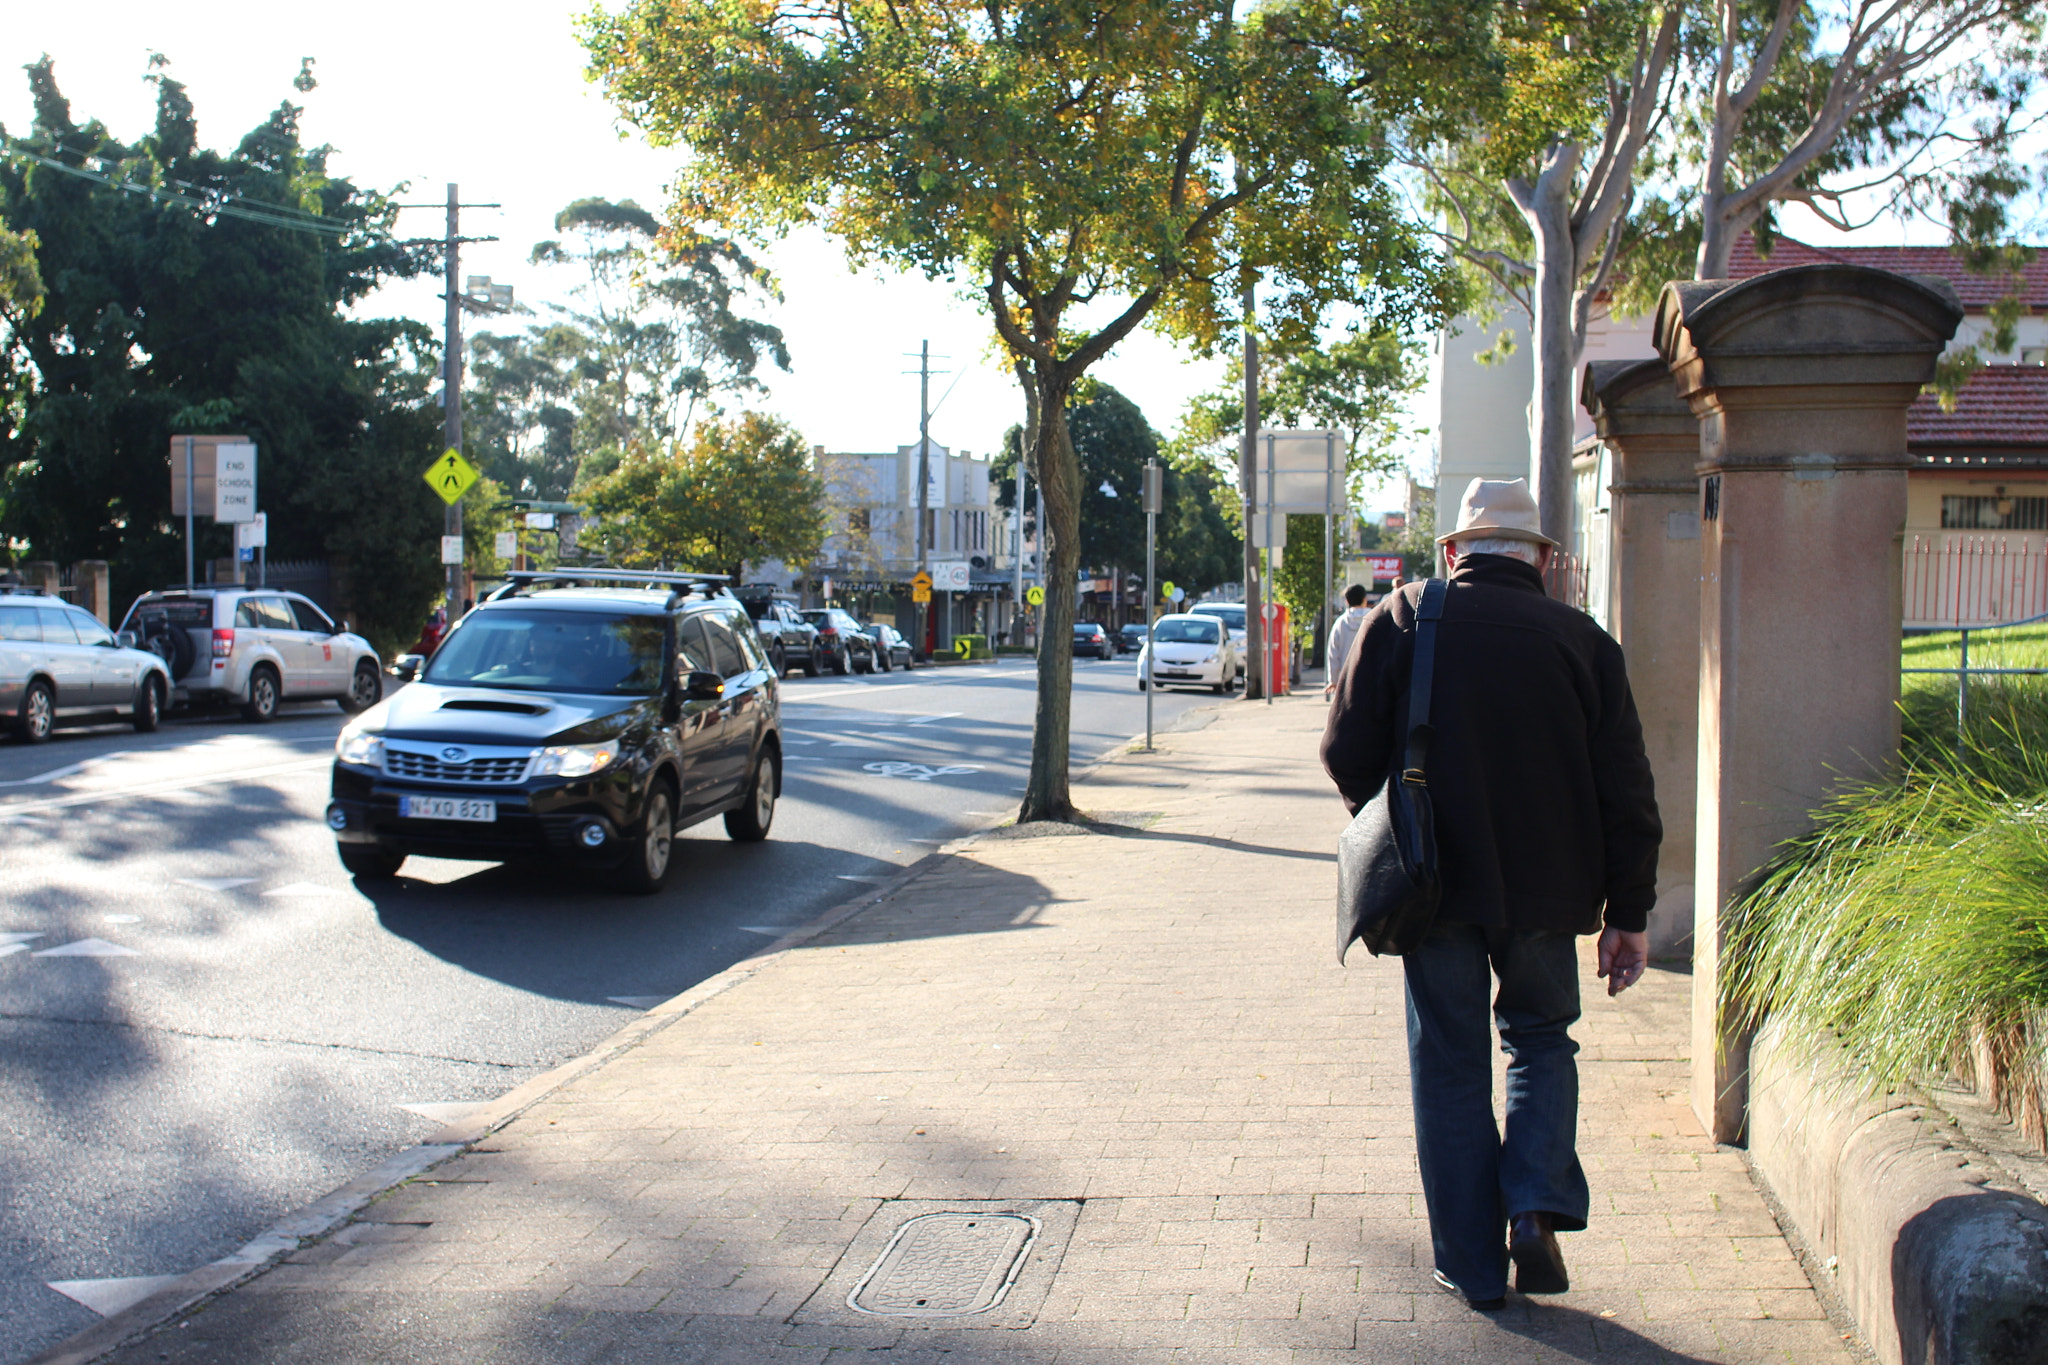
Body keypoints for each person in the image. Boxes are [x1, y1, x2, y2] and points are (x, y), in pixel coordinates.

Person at [1321, 477, 1661, 1311]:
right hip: (1552, 892)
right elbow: (1628, 790)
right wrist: (1630, 915)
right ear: (1543, 559)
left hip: (1432, 887)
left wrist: (1396, 820)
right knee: (1543, 1038)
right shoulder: (1584, 641)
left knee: (1449, 1061)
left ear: (1451, 551)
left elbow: (1343, 747)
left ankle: (1472, 1265)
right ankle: (1534, 1202)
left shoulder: (1402, 616)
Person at [1322, 583, 1371, 697]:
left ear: (1347, 601)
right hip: (1371, 677)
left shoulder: (1341, 623)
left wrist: (1333, 680)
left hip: (1346, 679)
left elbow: (1333, 653)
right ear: (1365, 599)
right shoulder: (1374, 619)